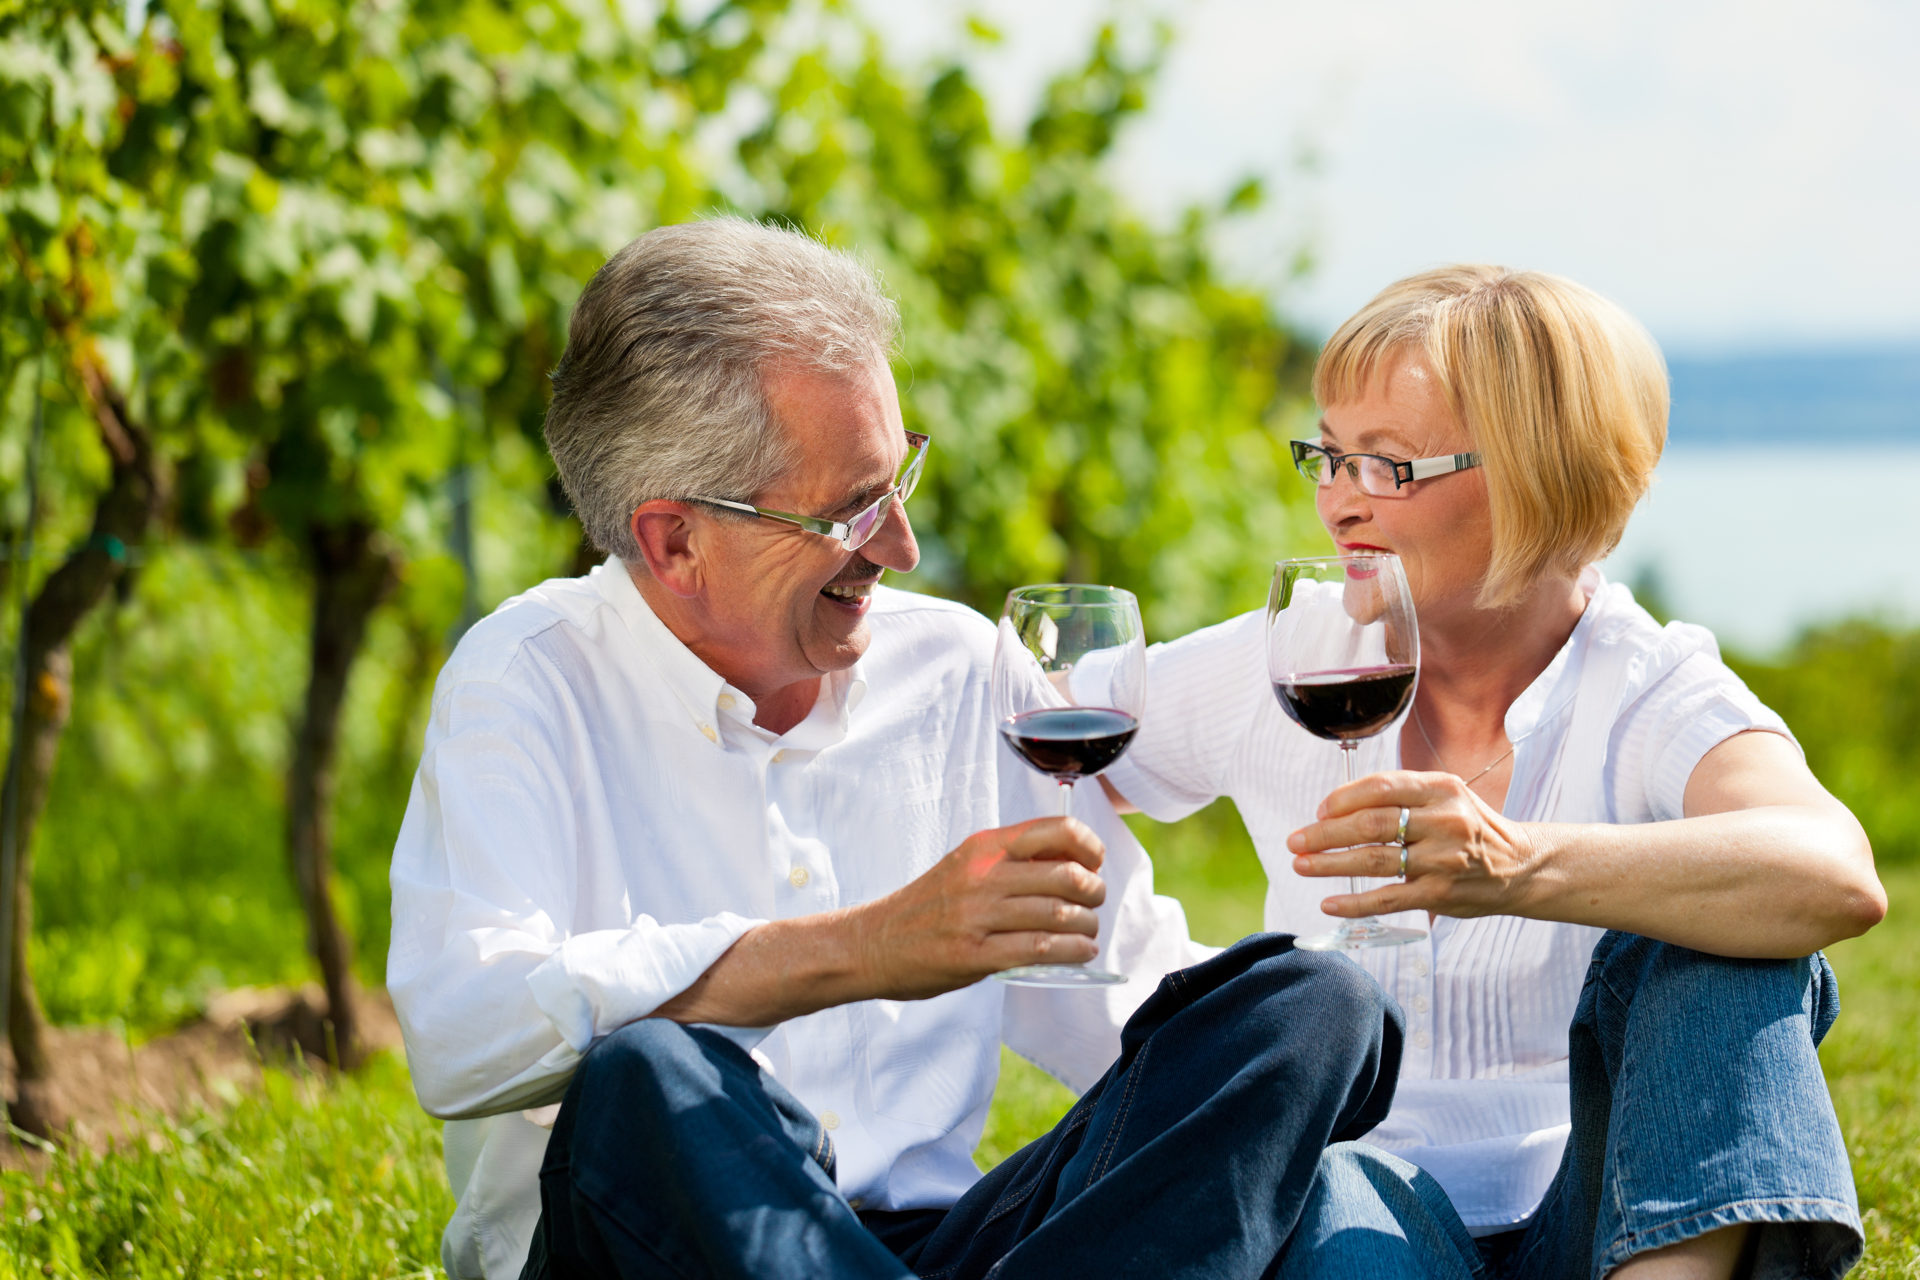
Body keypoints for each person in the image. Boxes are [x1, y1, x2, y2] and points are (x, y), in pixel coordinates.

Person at [386, 217, 1406, 1280]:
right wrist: (863, 946)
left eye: (898, 478)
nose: (902, 547)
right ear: (673, 540)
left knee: (1310, 1004)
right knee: (648, 1074)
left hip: (937, 1247)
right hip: (659, 1240)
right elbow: (463, 1031)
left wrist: (1301, 1048)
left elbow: (1129, 1005)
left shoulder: (963, 671)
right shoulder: (527, 677)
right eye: (852, 508)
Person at [1099, 265, 1886, 1280]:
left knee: (1722, 946)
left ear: (1535, 470)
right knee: (1332, 1182)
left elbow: (1835, 873)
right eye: (1327, 457)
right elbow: (1027, 747)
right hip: (1366, 1198)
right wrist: (1143, 987)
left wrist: (1516, 864)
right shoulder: (1288, 655)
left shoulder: (1645, 682)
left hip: (1610, 1213)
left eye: (1385, 465)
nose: (1337, 502)